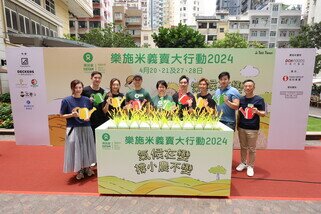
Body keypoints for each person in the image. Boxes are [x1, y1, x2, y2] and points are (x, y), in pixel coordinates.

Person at [60, 80, 96, 180]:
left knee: (87, 148)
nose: (78, 90)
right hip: (73, 128)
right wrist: (72, 115)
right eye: (76, 88)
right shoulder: (66, 100)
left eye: (80, 87)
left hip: (86, 127)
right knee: (76, 149)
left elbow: (89, 112)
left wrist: (88, 117)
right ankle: (79, 170)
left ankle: (88, 167)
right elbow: (62, 115)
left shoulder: (87, 100)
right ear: (72, 88)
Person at [236, 79, 265, 177]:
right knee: (243, 146)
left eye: (250, 86)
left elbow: (264, 114)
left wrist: (257, 112)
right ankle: (243, 163)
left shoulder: (259, 99)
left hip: (253, 128)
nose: (248, 88)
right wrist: (237, 126)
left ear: (254, 87)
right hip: (241, 127)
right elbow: (239, 114)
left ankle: (250, 166)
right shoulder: (241, 99)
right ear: (243, 87)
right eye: (246, 86)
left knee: (252, 148)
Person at [82, 71, 107, 135]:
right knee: (89, 142)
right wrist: (88, 101)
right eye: (95, 77)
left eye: (99, 78)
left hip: (101, 120)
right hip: (88, 120)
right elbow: (80, 104)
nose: (97, 79)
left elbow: (104, 107)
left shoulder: (103, 92)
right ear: (91, 78)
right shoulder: (84, 90)